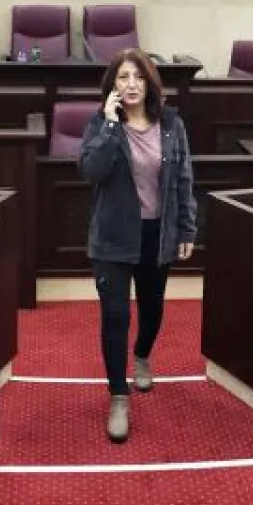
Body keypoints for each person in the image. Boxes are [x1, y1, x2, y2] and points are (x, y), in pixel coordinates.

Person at [79, 48, 197, 443]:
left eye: (138, 77)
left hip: (156, 234)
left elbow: (183, 179)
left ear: (149, 83)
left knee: (152, 307)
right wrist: (112, 127)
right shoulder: (100, 123)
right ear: (113, 84)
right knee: (115, 317)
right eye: (123, 77)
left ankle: (143, 354)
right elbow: (91, 171)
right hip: (112, 237)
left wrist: (186, 229)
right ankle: (118, 396)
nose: (130, 84)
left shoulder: (170, 125)